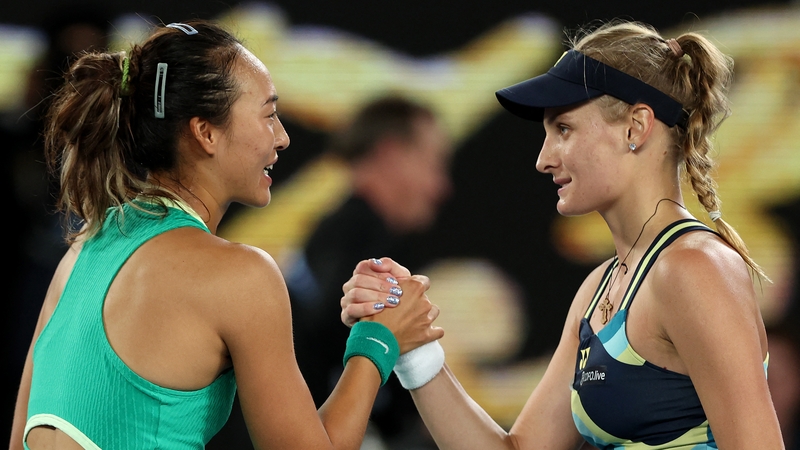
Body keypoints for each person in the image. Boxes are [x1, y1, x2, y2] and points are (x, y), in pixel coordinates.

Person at [340, 19, 785, 449]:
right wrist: (414, 345)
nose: (543, 159)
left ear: (636, 127)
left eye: (563, 129)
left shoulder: (695, 269)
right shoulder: (598, 289)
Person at [9, 20, 443, 450]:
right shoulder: (242, 276)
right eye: (269, 115)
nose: (283, 137)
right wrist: (380, 337)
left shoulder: (82, 250)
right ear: (206, 132)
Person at [285, 95, 452, 449]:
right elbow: (327, 338)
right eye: (433, 163)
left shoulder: (339, 234)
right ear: (392, 154)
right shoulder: (363, 242)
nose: (441, 187)